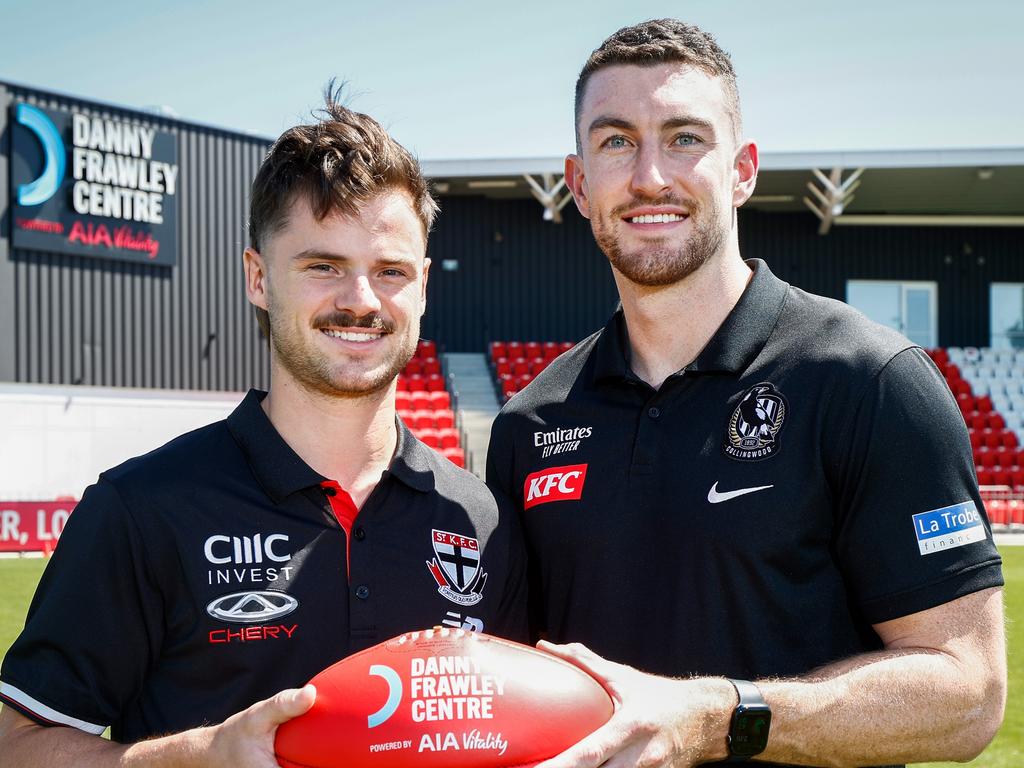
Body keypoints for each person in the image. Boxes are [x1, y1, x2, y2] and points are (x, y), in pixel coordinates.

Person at [486, 19, 1005, 768]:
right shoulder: (530, 422)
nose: (650, 176)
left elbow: (968, 696)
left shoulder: (869, 380)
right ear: (578, 182)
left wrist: (720, 716)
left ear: (743, 170)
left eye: (686, 138)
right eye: (616, 141)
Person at [0, 88, 527, 767]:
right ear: (257, 277)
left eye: (390, 271)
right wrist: (198, 756)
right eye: (322, 266)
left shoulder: (483, 521)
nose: (360, 300)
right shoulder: (140, 509)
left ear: (423, 287)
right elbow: (17, 746)